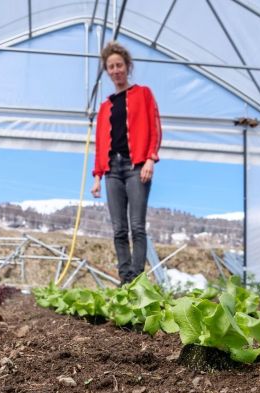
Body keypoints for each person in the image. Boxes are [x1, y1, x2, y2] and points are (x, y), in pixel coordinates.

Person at [90, 41, 162, 285]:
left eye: (119, 65)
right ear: (107, 70)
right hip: (112, 170)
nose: (115, 70)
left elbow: (155, 128)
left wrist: (151, 158)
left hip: (136, 166)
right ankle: (125, 279)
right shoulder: (105, 106)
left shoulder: (143, 94)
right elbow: (100, 143)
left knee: (137, 226)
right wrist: (98, 175)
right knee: (119, 229)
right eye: (111, 66)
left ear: (127, 66)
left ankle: (138, 280)